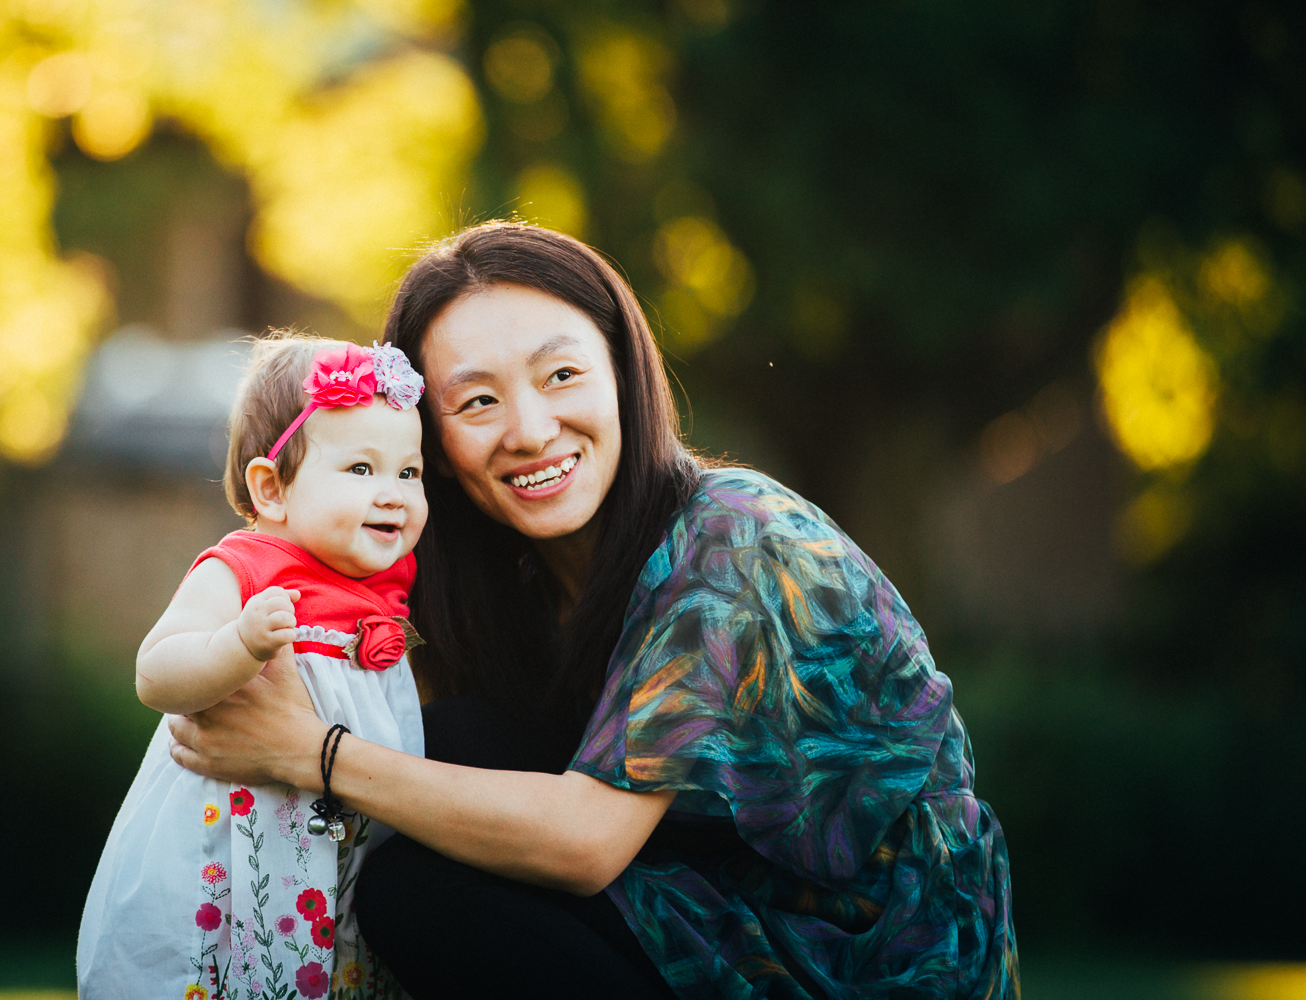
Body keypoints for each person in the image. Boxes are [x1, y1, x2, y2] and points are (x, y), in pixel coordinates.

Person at [168, 223, 1019, 1000]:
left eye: (562, 375)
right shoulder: (511, 579)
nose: (532, 430)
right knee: (456, 744)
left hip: (858, 962)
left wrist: (312, 753)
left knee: (419, 891)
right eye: (477, 401)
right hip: (707, 916)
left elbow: (586, 845)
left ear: (623, 372)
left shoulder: (737, 540)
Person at [78, 336, 428, 1000]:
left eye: (409, 473)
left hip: (339, 858)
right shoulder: (245, 568)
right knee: (230, 967)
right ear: (271, 488)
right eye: (360, 470)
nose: (393, 495)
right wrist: (237, 646)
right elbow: (155, 672)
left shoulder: (388, 585)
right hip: (235, 843)